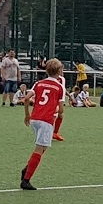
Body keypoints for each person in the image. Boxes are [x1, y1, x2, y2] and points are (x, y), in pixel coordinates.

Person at [19, 59, 66, 191]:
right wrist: (54, 108)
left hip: (34, 119)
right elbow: (61, 110)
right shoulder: (59, 87)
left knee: (44, 146)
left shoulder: (38, 83)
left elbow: (26, 98)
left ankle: (27, 168)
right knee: (40, 148)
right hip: (46, 120)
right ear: (59, 71)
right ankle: (26, 180)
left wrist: (27, 115)